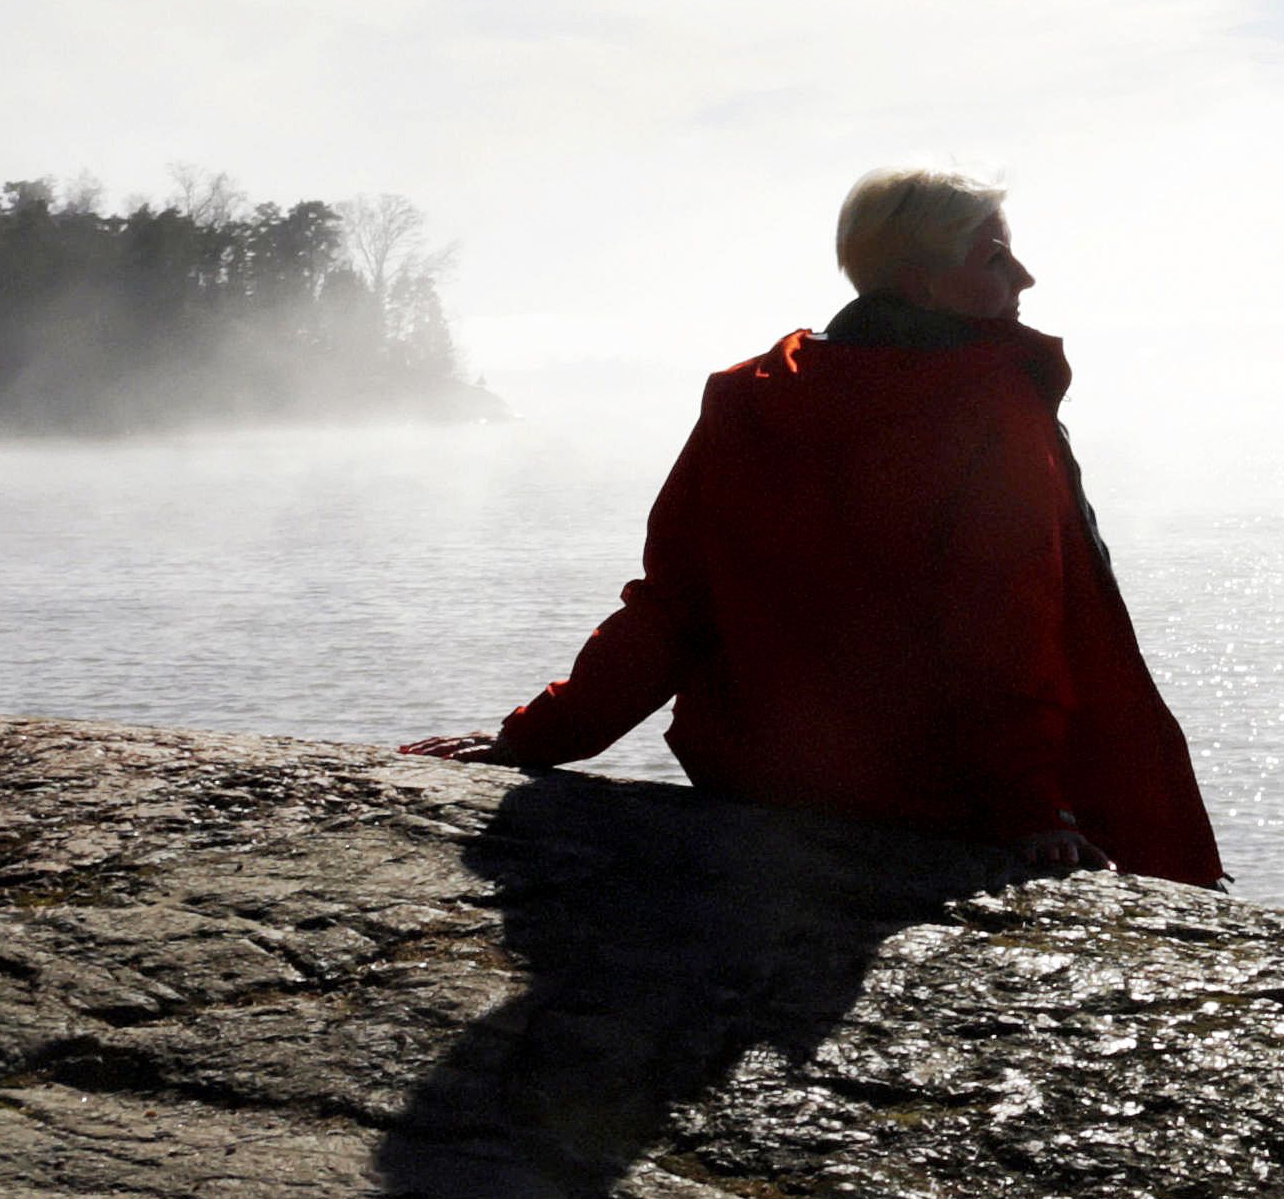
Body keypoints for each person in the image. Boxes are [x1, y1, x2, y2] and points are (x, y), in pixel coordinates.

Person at [401, 171, 1220, 882]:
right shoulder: (989, 407)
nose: (1026, 278)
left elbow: (673, 607)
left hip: (762, 787)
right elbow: (1004, 622)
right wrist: (1032, 811)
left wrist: (535, 739)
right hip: (937, 805)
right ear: (921, 286)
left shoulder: (752, 394)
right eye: (995, 258)